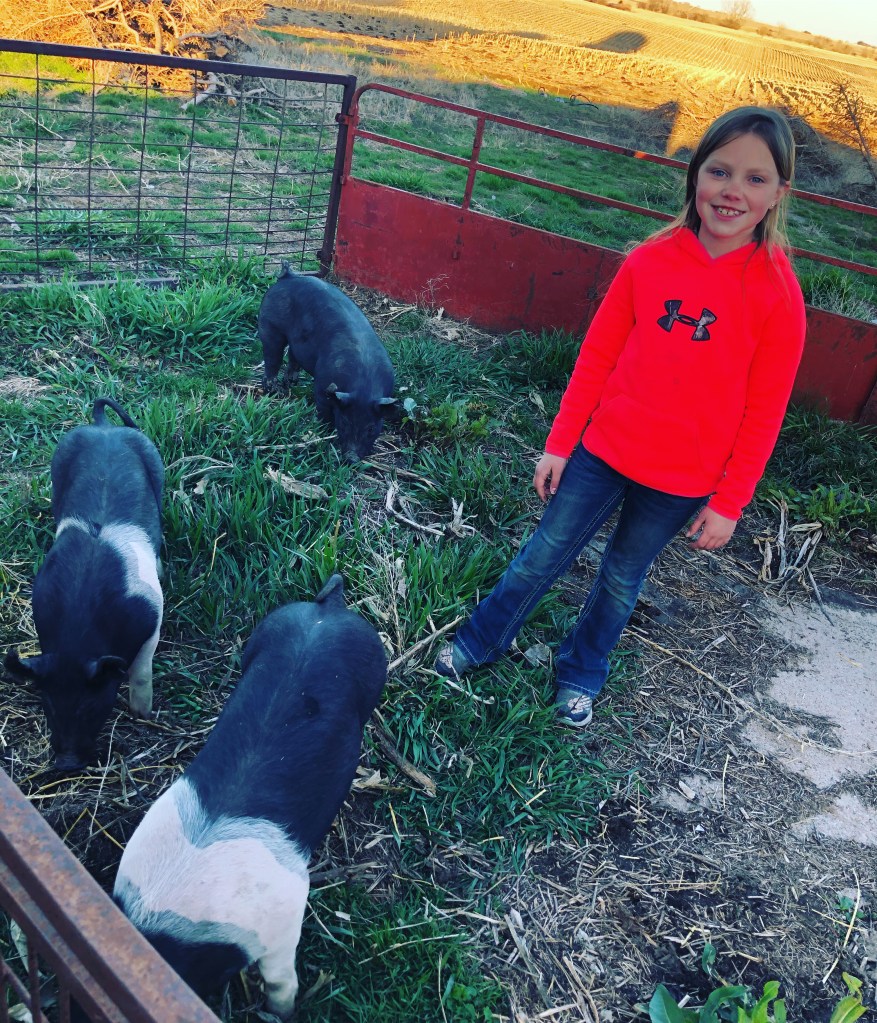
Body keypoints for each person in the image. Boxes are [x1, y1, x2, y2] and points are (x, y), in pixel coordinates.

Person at [434, 106, 807, 728]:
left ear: (778, 194)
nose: (732, 191)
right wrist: (561, 443)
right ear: (695, 175)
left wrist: (729, 502)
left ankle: (581, 673)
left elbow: (765, 411)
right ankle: (480, 641)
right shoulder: (650, 261)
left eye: (755, 178)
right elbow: (597, 358)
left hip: (682, 479)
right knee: (543, 553)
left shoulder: (777, 294)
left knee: (620, 579)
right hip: (604, 452)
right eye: (719, 171)